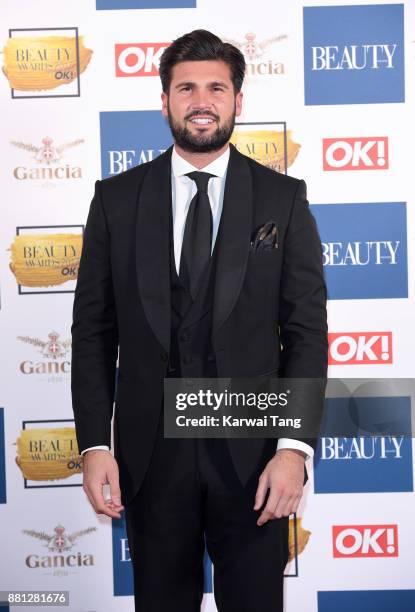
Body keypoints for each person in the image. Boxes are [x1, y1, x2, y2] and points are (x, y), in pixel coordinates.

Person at [71, 29, 328, 612]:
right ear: (164, 101)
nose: (202, 100)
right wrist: (93, 445)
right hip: (149, 457)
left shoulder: (282, 199)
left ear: (239, 100)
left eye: (217, 86)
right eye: (186, 87)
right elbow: (92, 333)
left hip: (255, 456)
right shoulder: (115, 199)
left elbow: (307, 331)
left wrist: (293, 449)